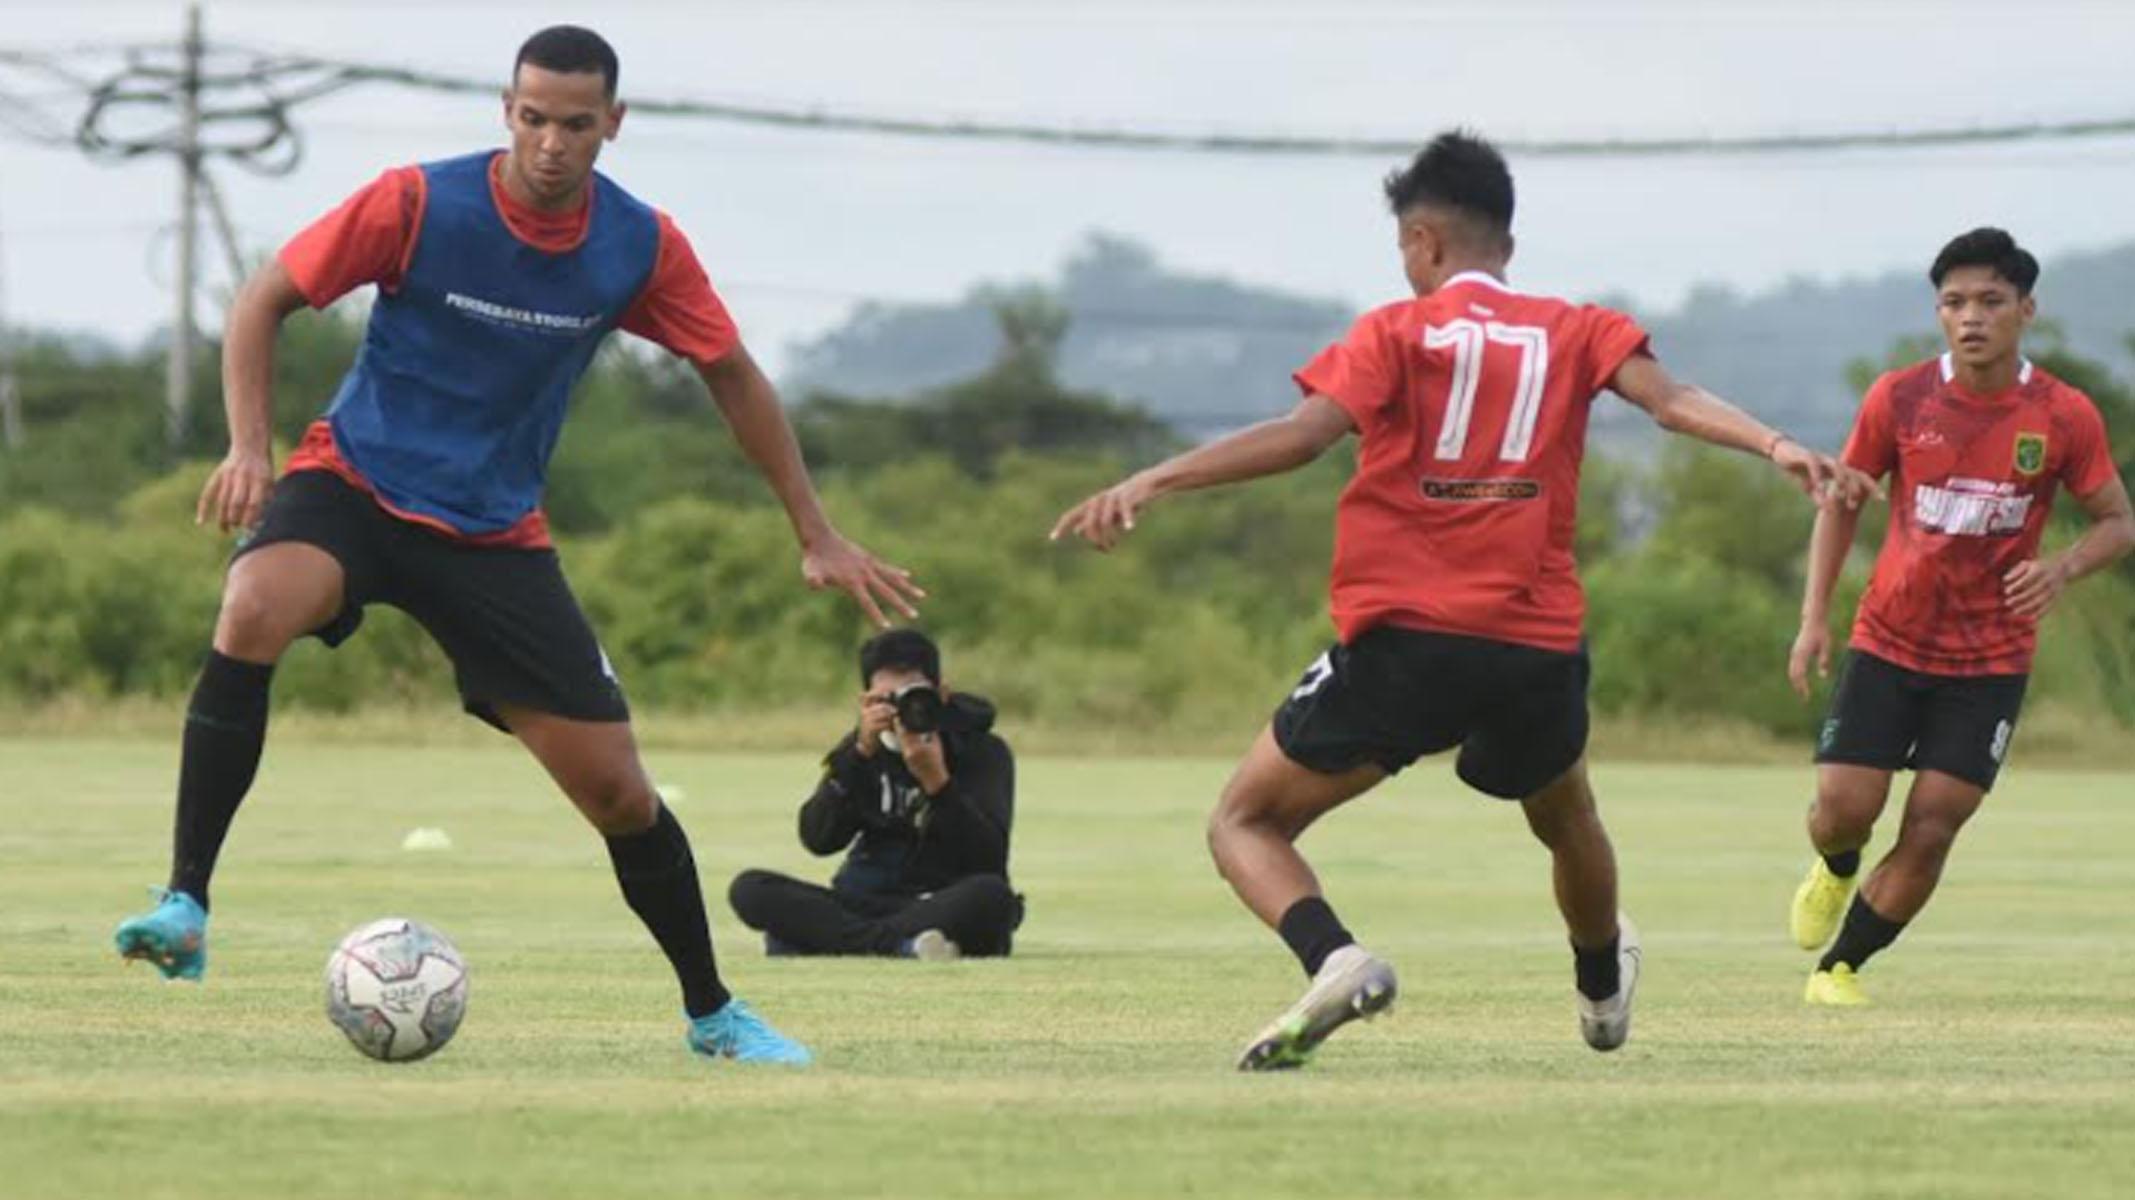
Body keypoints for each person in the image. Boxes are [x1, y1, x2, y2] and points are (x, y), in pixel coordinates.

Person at [109, 25, 924, 1066]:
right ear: (506, 109)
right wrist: (247, 446)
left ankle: (713, 1013)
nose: (549, 142)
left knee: (620, 793)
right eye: (532, 117)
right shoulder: (416, 202)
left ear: (611, 126)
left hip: (492, 536)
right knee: (253, 606)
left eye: (574, 124)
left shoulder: (637, 244)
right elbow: (264, 298)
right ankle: (186, 900)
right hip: (353, 485)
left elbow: (729, 374)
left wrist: (815, 532)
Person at [1053, 130, 1873, 1070]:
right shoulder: (1575, 327)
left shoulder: (1395, 333)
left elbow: (1301, 434)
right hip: (1534, 648)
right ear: (1507, 247)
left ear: (1423, 244)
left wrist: (1154, 480)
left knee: (1243, 820)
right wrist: (1776, 446)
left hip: (1408, 642)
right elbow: (1671, 399)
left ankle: (1337, 959)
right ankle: (1602, 989)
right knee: (1565, 816)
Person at [1785, 228, 2134, 1006]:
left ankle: (1837, 970)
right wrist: (1813, 618)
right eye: (1952, 303)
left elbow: (2118, 521)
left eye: (1988, 301)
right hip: (1888, 640)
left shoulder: (2062, 413)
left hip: (1989, 660)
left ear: (2024, 310)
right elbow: (1841, 506)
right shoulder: (1899, 398)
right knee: (1844, 810)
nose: (1969, 316)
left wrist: (2062, 568)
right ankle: (1837, 867)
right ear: (1937, 314)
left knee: (1935, 822)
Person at [728, 629, 1021, 960]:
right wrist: (856, 758)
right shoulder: (862, 749)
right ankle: (903, 947)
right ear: (865, 702)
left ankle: (828, 940)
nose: (900, 713)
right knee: (751, 889)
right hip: (865, 899)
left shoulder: (982, 750)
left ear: (941, 694)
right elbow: (818, 839)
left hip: (940, 900)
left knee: (992, 898)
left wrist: (937, 782)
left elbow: (989, 859)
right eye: (885, 701)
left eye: (914, 698)